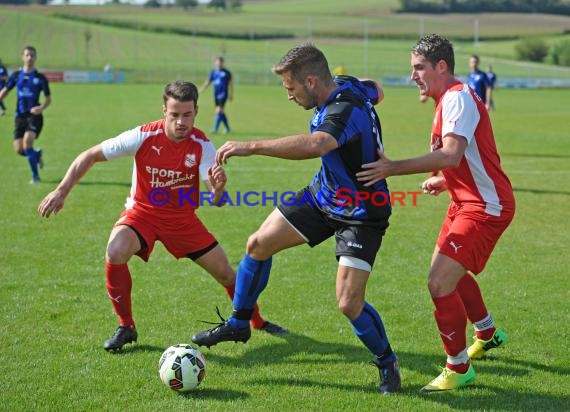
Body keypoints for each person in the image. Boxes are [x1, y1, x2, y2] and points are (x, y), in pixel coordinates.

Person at [191, 43, 401, 394]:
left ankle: (387, 362)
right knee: (258, 244)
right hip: (323, 196)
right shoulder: (348, 85)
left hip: (361, 212)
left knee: (349, 304)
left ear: (312, 81)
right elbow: (376, 88)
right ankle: (240, 322)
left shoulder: (343, 107)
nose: (288, 95)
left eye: (291, 88)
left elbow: (318, 144)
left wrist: (251, 146)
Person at [38, 80, 287, 352]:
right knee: (115, 251)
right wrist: (61, 191)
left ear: (196, 112)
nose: (181, 122)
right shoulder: (143, 135)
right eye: (175, 115)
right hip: (141, 214)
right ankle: (126, 326)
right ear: (164, 111)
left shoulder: (202, 145)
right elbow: (90, 155)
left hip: (182, 220)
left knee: (227, 275)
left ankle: (257, 321)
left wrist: (218, 187)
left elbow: (216, 200)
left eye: (187, 115)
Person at [356, 34, 515, 392]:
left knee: (439, 282)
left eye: (419, 68)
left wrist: (393, 167)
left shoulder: (456, 98)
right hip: (467, 201)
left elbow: (452, 154)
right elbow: (467, 158)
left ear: (441, 66)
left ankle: (458, 369)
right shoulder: (448, 98)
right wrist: (446, 181)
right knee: (447, 276)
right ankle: (486, 332)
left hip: (485, 207)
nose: (413, 75)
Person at [0, 46, 51, 184]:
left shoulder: (40, 78)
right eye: (27, 55)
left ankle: (36, 177)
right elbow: (5, 90)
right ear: (23, 57)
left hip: (34, 115)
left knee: (27, 142)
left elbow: (48, 98)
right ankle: (37, 155)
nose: (30, 58)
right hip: (19, 116)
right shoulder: (16, 76)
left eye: (32, 55)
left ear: (35, 58)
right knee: (19, 149)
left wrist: (41, 108)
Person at [200, 56, 233, 134]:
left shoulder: (227, 72)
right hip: (216, 95)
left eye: (220, 62)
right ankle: (227, 128)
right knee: (220, 112)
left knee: (219, 110)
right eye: (217, 62)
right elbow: (208, 82)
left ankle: (215, 129)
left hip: (223, 94)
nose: (219, 63)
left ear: (222, 63)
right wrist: (201, 89)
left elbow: (230, 84)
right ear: (215, 62)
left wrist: (231, 94)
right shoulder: (213, 72)